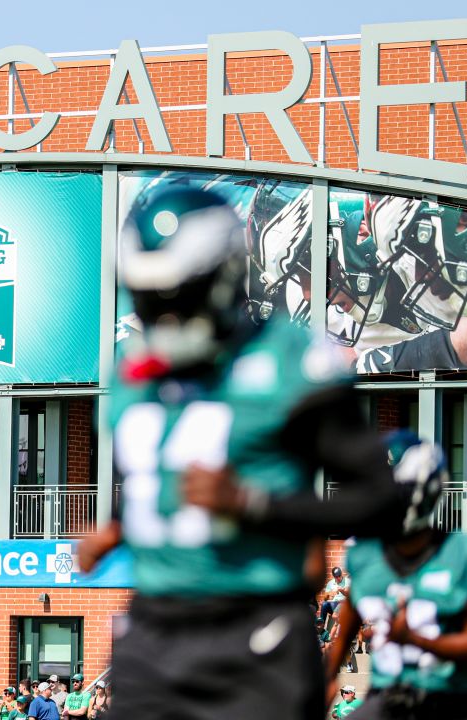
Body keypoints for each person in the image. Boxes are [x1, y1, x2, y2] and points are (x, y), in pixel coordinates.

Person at [78, 185, 399, 720]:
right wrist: (117, 525)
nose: (162, 318)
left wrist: (252, 503)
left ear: (223, 275)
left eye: (174, 297)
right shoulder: (131, 372)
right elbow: (161, 478)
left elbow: (381, 500)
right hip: (152, 633)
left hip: (256, 635)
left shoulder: (292, 361)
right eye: (146, 298)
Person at [324, 432, 467, 719]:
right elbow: (346, 629)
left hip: (447, 700)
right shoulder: (363, 552)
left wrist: (416, 640)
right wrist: (328, 677)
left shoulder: (464, 555)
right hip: (385, 699)